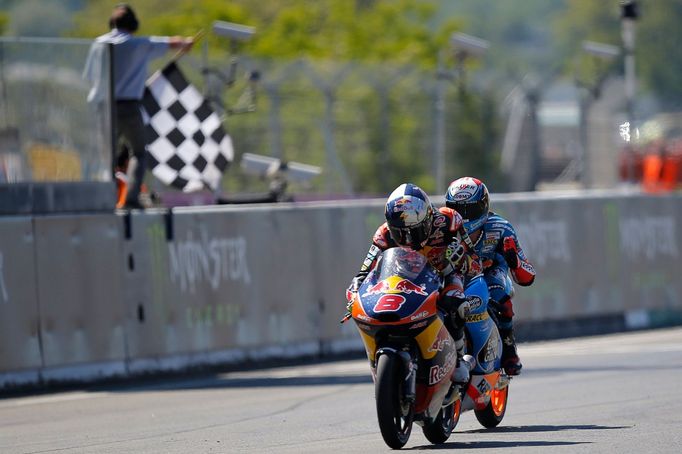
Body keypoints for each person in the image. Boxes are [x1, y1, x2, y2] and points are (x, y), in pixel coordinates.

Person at [346, 183, 476, 384]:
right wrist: (355, 288)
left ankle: (459, 360)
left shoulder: (448, 221)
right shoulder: (384, 234)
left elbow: (474, 261)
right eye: (401, 233)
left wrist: (461, 258)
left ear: (428, 218)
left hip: (445, 274)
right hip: (402, 279)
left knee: (456, 304)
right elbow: (365, 269)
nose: (407, 239)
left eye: (414, 231)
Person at [83, 3, 193, 209]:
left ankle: (100, 195)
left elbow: (90, 76)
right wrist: (186, 43)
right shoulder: (139, 44)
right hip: (128, 107)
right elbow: (172, 42)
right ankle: (130, 198)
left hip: (102, 107)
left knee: (104, 154)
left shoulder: (98, 44)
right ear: (133, 24)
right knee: (139, 152)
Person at [444, 176, 536, 376]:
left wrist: (514, 261)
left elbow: (527, 277)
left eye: (470, 209)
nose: (464, 216)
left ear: (484, 206)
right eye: (457, 209)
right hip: (454, 274)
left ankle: (509, 349)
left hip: (488, 273)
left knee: (499, 293)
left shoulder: (501, 228)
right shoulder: (442, 228)